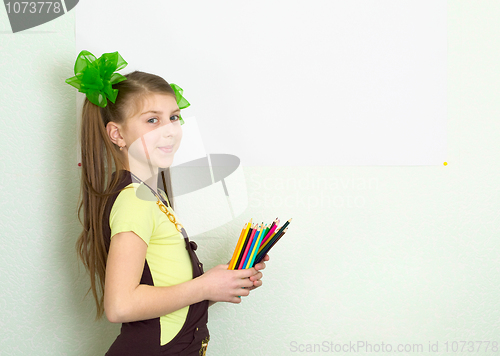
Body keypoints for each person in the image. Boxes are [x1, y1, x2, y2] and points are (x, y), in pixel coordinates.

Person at [67, 50, 268, 355]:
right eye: (152, 120)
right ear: (117, 134)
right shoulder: (134, 201)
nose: (169, 129)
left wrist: (221, 282)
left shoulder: (151, 195)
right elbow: (120, 306)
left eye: (174, 117)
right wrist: (204, 286)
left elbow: (167, 295)